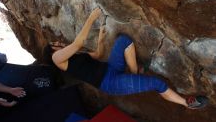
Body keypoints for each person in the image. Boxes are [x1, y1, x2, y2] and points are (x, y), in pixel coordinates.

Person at [48, 8, 208, 109]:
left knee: (124, 41)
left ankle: (134, 73)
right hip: (109, 83)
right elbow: (77, 43)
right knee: (157, 84)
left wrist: (100, 39)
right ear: (51, 52)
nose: (58, 42)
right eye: (54, 44)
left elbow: (96, 55)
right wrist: (91, 18)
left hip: (110, 68)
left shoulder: (73, 56)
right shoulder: (57, 59)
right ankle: (187, 103)